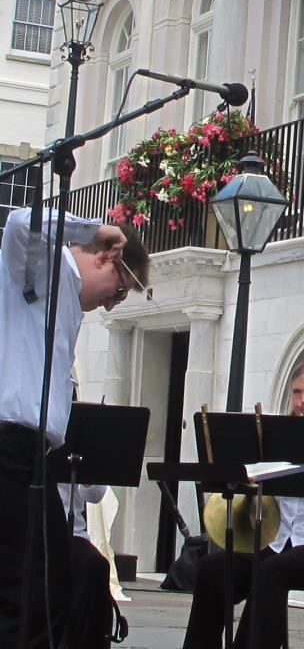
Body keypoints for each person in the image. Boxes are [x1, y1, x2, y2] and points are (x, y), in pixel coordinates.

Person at [0, 206, 149, 649]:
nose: (109, 304)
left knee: (49, 584)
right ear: (105, 257)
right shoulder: (45, 271)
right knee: (26, 590)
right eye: (117, 291)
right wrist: (96, 229)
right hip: (8, 445)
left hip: (30, 455)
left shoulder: (64, 298)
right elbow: (21, 223)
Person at [183, 358, 304, 649]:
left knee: (273, 571)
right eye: (297, 393)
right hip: (283, 541)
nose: (303, 401)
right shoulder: (282, 435)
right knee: (213, 568)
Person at [59, 483, 113, 649]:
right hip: (18, 530)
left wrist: (88, 476)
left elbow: (95, 495)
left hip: (70, 532)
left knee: (95, 566)